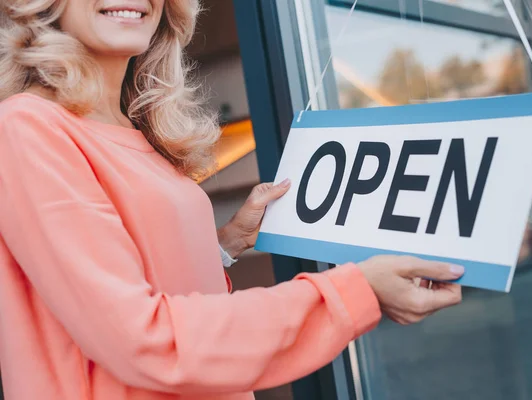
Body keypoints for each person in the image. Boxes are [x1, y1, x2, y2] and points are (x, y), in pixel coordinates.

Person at [0, 1, 464, 399]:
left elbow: (136, 277)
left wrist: (225, 243)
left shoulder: (129, 128)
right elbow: (143, 339)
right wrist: (355, 291)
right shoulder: (27, 128)